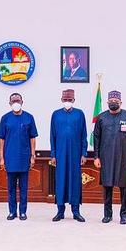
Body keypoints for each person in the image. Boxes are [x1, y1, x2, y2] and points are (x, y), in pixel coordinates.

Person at [93, 90, 126, 225]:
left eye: (116, 102)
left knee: (124, 187)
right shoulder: (101, 118)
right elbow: (96, 137)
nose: (114, 103)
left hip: (124, 158)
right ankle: (107, 215)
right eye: (111, 102)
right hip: (106, 158)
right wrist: (96, 157)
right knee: (107, 187)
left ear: (121, 102)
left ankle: (124, 215)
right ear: (107, 103)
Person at [0, 93, 38, 220]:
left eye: (18, 101)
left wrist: (32, 156)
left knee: (24, 188)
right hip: (10, 158)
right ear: (10, 103)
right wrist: (2, 158)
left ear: (22, 102)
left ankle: (23, 212)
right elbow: (1, 140)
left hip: (24, 158)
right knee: (11, 188)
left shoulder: (29, 117)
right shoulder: (5, 118)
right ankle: (12, 212)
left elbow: (32, 138)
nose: (16, 103)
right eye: (13, 101)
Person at [50, 89, 88, 222]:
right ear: (61, 100)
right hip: (60, 154)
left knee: (75, 181)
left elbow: (84, 135)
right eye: (65, 100)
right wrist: (53, 154)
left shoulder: (79, 114)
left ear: (74, 100)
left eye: (70, 100)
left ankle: (76, 211)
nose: (67, 102)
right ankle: (60, 211)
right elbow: (52, 136)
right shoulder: (56, 115)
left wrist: (84, 153)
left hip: (75, 154)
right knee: (61, 181)